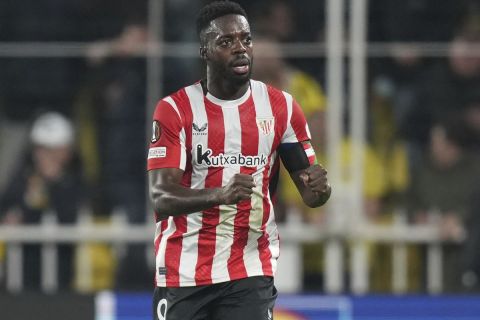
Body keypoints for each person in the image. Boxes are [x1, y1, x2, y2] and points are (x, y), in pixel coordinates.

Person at [147, 1, 331, 319]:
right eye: (226, 41)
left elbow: (312, 195)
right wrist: (221, 194)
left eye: (246, 39)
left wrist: (321, 188)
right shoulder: (175, 110)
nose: (240, 49)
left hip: (249, 270)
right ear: (204, 50)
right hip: (184, 271)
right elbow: (162, 197)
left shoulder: (281, 108)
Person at [0, 112, 85, 290]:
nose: (45, 156)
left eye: (53, 150)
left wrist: (54, 185)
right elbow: (8, 208)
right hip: (21, 273)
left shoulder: (76, 180)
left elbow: (72, 216)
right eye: (42, 149)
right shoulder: (22, 177)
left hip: (62, 272)